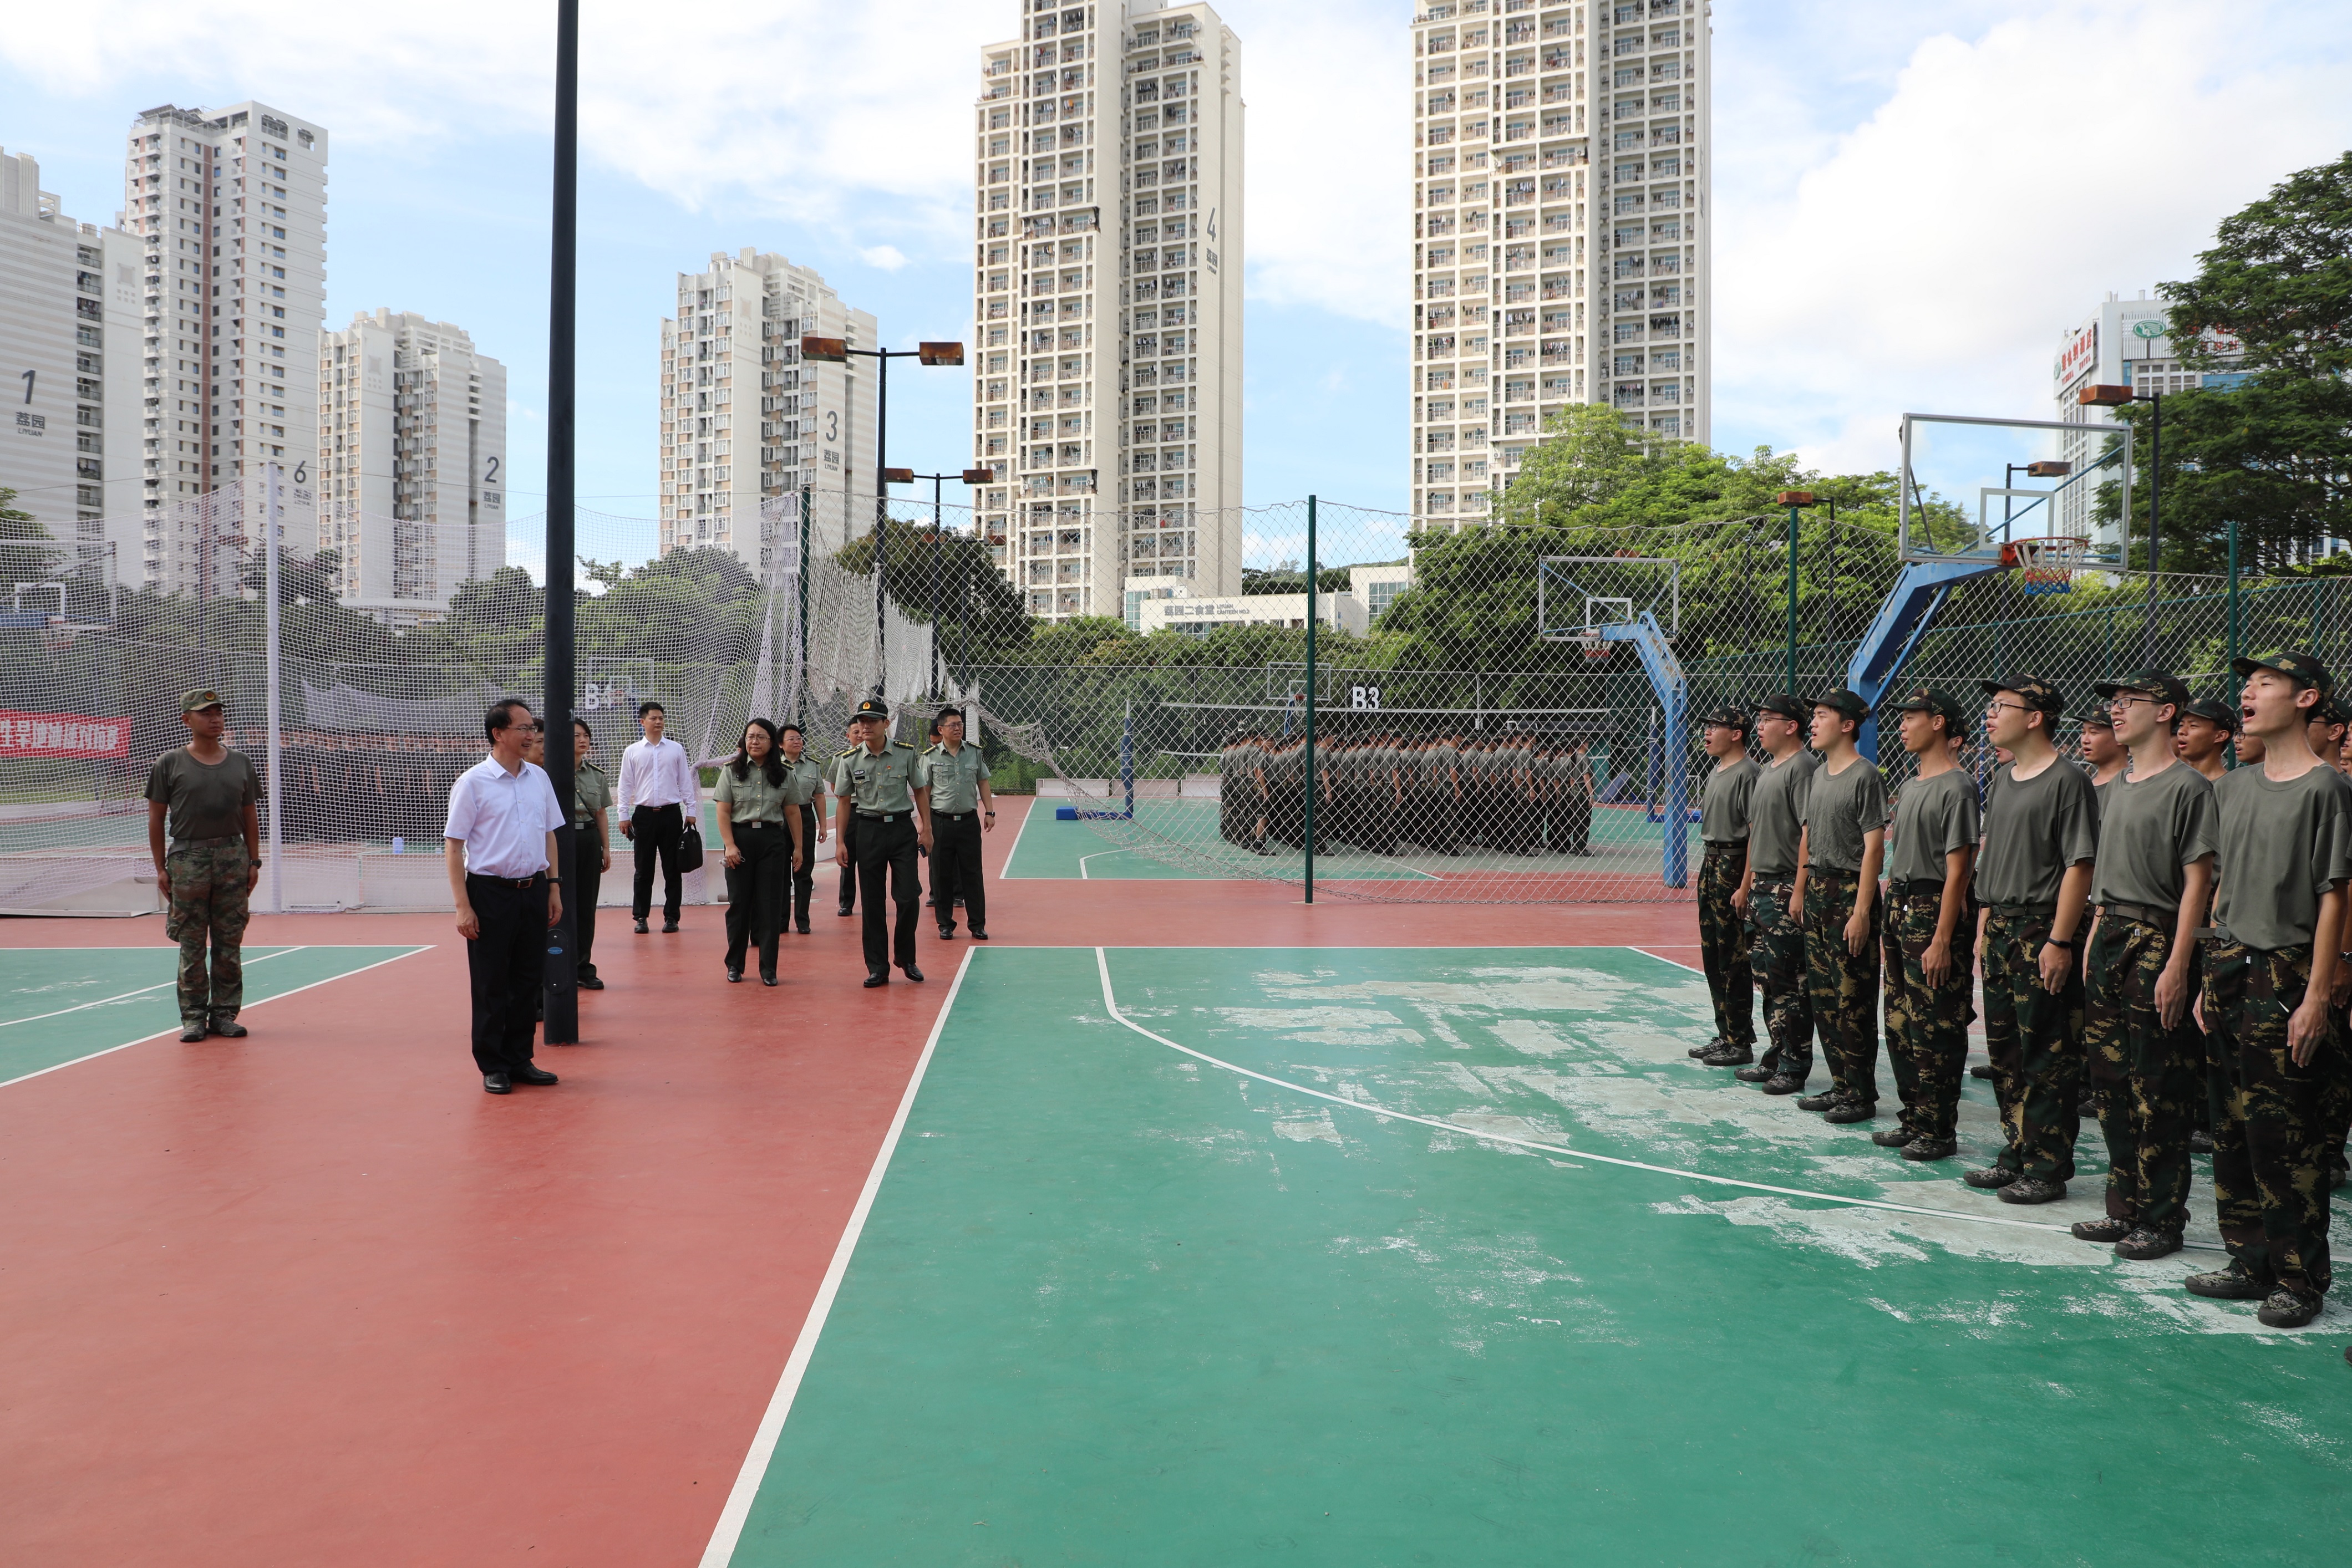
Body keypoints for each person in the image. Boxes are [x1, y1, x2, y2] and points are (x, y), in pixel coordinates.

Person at [2184, 650, 2351, 1327]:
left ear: (2305, 698)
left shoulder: (2324, 788)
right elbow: (2221, 886)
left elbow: (2333, 894)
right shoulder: (2231, 788)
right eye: (2246, 684)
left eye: (2264, 682)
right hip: (2227, 965)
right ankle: (2248, 1258)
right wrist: (2206, 971)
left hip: (2283, 971)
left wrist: (2315, 995)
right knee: (2228, 1123)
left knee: (2286, 1132)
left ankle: (2298, 1278)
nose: (2247, 693)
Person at [2071, 669, 2213, 1260]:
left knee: (2157, 1084)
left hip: (2157, 937)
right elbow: (2102, 880)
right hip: (2109, 933)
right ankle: (2123, 1207)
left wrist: (2179, 961)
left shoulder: (2187, 787)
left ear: (2165, 711)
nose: (2117, 710)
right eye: (2114, 701)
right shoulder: (2116, 786)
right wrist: (2091, 938)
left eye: (2129, 700)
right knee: (2109, 1082)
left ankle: (2160, 1217)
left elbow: (2197, 881)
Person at [1967, 674, 2099, 1203]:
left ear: (2035, 717)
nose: (1990, 714)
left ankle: (2046, 1166)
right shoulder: (2003, 778)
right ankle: (2017, 1151)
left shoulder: (2068, 780)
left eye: (2001, 706)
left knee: (2046, 1052)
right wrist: (1984, 927)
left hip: (2040, 928)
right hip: (2001, 926)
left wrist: (2060, 941)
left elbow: (2079, 865)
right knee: (2005, 1051)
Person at [1875, 686, 1980, 1162]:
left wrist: (1941, 938)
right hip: (1899, 903)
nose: (1902, 725)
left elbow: (1959, 869)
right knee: (1900, 1020)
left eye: (1910, 717)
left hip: (1931, 905)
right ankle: (1914, 1117)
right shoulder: (1912, 784)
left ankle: (1937, 1129)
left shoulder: (1957, 787)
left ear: (1938, 723)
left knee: (1934, 1023)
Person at [444, 699, 566, 1094]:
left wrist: (553, 886)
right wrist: (463, 906)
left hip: (533, 890)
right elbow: (453, 846)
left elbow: (549, 834)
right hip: (490, 893)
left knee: (528, 980)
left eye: (532, 728)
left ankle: (519, 1058)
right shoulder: (473, 782)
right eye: (523, 728)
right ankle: (493, 1064)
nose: (531, 735)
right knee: (491, 982)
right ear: (498, 734)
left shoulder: (538, 778)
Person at [1793, 688, 1889, 1124]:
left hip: (1849, 891)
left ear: (1847, 725)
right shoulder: (1817, 775)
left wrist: (1862, 912)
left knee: (1852, 999)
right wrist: (1800, 890)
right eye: (1813, 716)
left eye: (1821, 716)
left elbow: (1873, 849)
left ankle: (1859, 1093)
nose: (1813, 723)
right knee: (1823, 997)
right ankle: (1839, 1084)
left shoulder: (1864, 776)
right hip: (1817, 888)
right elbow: (1808, 838)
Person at [146, 689, 264, 1042]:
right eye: (205, 713)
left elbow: (250, 815)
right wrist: (161, 868)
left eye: (218, 713)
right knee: (192, 943)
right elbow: (156, 819)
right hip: (188, 860)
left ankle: (224, 1014)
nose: (215, 719)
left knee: (230, 942)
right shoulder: (169, 763)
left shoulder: (241, 762)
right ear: (187, 720)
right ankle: (194, 1017)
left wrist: (254, 861)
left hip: (232, 857)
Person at [1734, 694, 1819, 1093]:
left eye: (1768, 719)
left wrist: (1799, 889)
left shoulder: (1802, 767)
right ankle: (1776, 1056)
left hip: (1785, 885)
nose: (1760, 726)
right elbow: (1755, 832)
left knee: (1789, 982)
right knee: (1767, 978)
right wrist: (1747, 883)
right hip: (1763, 887)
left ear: (1791, 726)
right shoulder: (1769, 769)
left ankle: (1794, 1064)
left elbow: (1807, 831)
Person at [833, 698, 933, 986]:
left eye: (872, 721)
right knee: (872, 902)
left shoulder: (905, 753)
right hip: (868, 831)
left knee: (909, 896)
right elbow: (843, 802)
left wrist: (926, 829)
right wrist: (840, 842)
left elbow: (920, 791)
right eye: (862, 722)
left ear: (886, 724)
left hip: (901, 829)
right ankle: (878, 967)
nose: (865, 726)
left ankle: (906, 958)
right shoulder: (849, 759)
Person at [1692, 707, 1761, 1067]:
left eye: (1715, 727)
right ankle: (1726, 1033)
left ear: (1736, 734)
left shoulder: (1747, 773)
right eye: (1707, 726)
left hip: (1733, 865)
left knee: (1733, 957)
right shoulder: (1716, 770)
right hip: (1711, 862)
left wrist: (1745, 884)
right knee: (1713, 955)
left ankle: (1739, 1040)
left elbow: (1754, 832)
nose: (1707, 732)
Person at [714, 719, 804, 986]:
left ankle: (769, 969)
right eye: (750, 736)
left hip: (772, 841)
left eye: (761, 737)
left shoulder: (784, 773)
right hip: (740, 840)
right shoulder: (731, 771)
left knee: (770, 906)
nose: (754, 741)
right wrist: (730, 845)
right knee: (739, 904)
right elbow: (723, 811)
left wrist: (799, 847)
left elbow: (792, 812)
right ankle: (735, 965)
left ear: (772, 743)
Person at [618, 700, 700, 935]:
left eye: (661, 718)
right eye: (653, 718)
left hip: (671, 815)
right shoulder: (632, 751)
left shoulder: (676, 749)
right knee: (643, 870)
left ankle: (672, 917)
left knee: (672, 868)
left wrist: (691, 811)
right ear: (642, 722)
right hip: (643, 816)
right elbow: (625, 785)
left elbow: (685, 781)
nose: (658, 722)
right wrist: (623, 815)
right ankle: (641, 917)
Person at [923, 706, 995, 941]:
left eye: (960, 724)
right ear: (941, 729)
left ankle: (977, 925)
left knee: (972, 874)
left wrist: (989, 812)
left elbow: (983, 782)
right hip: (940, 822)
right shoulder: (929, 757)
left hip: (968, 822)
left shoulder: (974, 753)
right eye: (953, 725)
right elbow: (925, 792)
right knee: (941, 876)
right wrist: (925, 825)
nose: (958, 728)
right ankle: (945, 924)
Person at [570, 719, 613, 991]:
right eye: (576, 736)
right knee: (559, 904)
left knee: (586, 906)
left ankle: (583, 967)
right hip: (560, 840)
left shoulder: (596, 775)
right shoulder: (547, 771)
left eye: (586, 735)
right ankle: (557, 965)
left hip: (589, 838)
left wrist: (605, 847)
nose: (583, 740)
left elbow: (600, 813)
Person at [778, 723, 827, 934]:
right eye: (792, 739)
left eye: (799, 738)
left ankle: (802, 920)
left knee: (803, 871)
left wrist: (823, 825)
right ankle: (781, 921)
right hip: (780, 820)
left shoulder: (812, 766)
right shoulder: (773, 766)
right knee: (780, 873)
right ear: (781, 745)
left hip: (805, 817)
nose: (797, 741)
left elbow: (819, 796)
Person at [836, 716, 863, 918]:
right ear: (848, 736)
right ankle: (847, 903)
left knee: (871, 860)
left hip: (870, 813)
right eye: (856, 732)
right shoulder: (842, 758)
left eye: (863, 731)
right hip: (851, 811)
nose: (861, 735)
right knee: (848, 859)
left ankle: (872, 901)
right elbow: (835, 786)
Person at [2176, 698, 2237, 782]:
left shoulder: (2231, 786)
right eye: (2181, 725)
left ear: (2220, 736)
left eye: (2193, 726)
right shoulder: (2173, 782)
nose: (2181, 732)